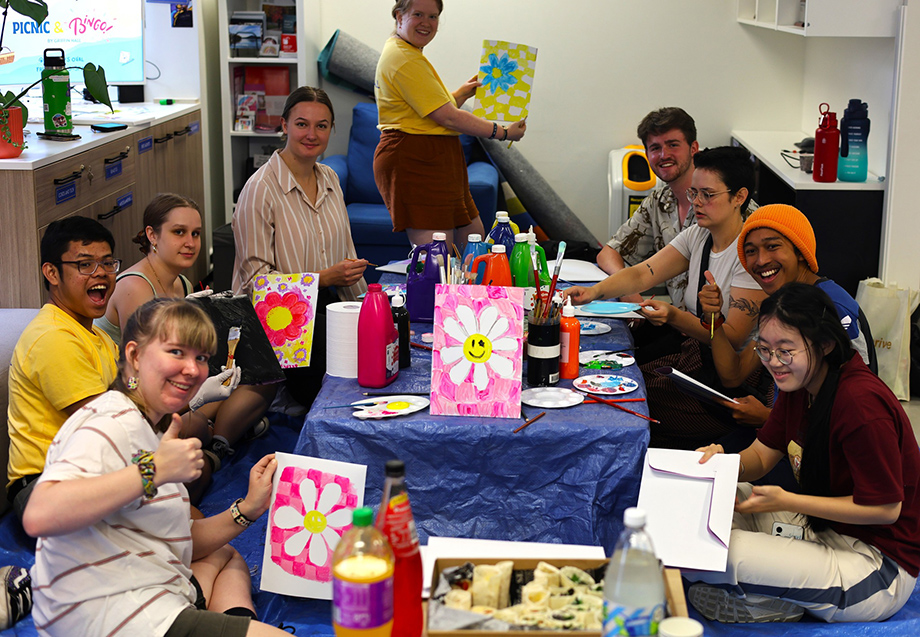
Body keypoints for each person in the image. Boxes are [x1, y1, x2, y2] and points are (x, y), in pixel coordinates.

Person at [22, 298, 291, 636]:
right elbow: (39, 515)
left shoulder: (150, 424)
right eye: (176, 352)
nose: (193, 369)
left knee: (225, 555)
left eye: (202, 358)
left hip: (149, 589)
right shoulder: (110, 421)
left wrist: (248, 509)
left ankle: (240, 622)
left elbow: (178, 537)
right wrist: (154, 471)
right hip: (113, 615)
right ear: (134, 356)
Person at [687, 283, 920, 624]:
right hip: (823, 530)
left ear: (824, 344)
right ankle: (780, 592)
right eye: (765, 350)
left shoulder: (861, 404)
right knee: (706, 503)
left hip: (876, 566)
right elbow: (761, 457)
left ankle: (774, 599)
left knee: (719, 554)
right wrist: (719, 463)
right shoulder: (802, 383)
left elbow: (885, 509)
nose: (774, 363)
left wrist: (788, 501)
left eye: (785, 350)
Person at [7, 217, 234, 519]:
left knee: (190, 473)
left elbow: (132, 391)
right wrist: (191, 402)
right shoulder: (53, 338)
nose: (100, 273)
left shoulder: (97, 335)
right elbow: (112, 425)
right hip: (48, 485)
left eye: (106, 263)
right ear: (52, 273)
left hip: (101, 466)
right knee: (188, 515)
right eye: (85, 265)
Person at [565, 146, 767, 449]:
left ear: (739, 197)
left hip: (729, 383)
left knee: (624, 406)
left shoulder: (749, 254)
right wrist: (593, 292)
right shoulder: (699, 234)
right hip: (694, 356)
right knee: (611, 386)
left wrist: (674, 316)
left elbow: (733, 338)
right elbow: (642, 273)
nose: (697, 203)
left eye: (708, 195)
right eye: (694, 193)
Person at [96, 194, 276, 472]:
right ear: (152, 235)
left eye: (196, 234)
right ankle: (218, 435)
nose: (190, 243)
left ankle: (217, 441)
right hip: (136, 395)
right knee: (196, 419)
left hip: (169, 386)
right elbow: (150, 374)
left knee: (261, 375)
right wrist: (198, 395)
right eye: (179, 232)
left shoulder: (182, 282)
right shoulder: (134, 285)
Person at [233, 86, 367, 408]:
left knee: (383, 346)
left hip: (327, 304)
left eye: (321, 126)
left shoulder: (331, 179)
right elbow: (256, 285)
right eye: (302, 124)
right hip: (280, 322)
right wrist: (323, 279)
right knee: (346, 384)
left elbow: (345, 256)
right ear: (284, 126)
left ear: (330, 130)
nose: (312, 134)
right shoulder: (260, 190)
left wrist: (369, 306)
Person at [699, 203, 870, 428]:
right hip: (784, 433)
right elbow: (734, 374)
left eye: (772, 247)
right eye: (751, 251)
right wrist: (714, 319)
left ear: (800, 251)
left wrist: (768, 419)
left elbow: (856, 410)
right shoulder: (780, 304)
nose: (760, 260)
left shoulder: (832, 307)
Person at [373, 0, 526, 249]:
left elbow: (426, 109)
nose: (427, 23)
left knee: (472, 240)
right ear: (399, 16)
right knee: (439, 257)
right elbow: (448, 117)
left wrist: (460, 94)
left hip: (437, 159)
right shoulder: (404, 59)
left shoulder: (407, 53)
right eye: (418, 14)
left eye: (433, 17)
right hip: (415, 159)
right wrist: (504, 132)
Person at [598, 107, 700, 311]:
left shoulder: (721, 202)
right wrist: (627, 292)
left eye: (673, 145)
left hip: (719, 333)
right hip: (679, 326)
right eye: (655, 148)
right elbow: (608, 253)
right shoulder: (659, 202)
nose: (664, 155)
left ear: (693, 148)